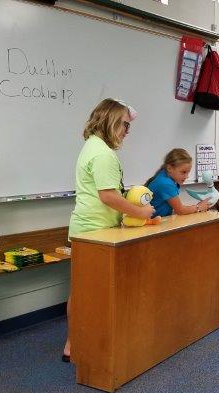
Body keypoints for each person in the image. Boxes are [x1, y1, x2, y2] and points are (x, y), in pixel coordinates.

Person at [63, 98, 155, 363]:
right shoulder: (103, 153)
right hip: (95, 232)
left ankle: (75, 342)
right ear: (111, 120)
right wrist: (139, 212)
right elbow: (108, 196)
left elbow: (109, 192)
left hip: (91, 229)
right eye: (125, 124)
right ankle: (80, 343)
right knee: (87, 291)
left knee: (82, 289)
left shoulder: (92, 147)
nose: (127, 130)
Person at [146, 148, 210, 217]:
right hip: (152, 224)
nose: (187, 176)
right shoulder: (166, 183)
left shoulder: (164, 176)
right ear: (169, 168)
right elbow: (180, 210)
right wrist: (199, 207)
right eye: (183, 172)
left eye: (188, 172)